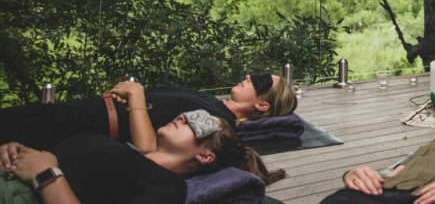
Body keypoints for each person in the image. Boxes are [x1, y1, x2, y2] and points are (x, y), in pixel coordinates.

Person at [0, 104, 285, 203]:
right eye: (191, 114)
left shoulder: (167, 186)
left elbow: (50, 169)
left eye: (202, 123)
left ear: (206, 156)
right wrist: (19, 152)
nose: (185, 116)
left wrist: (47, 175)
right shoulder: (129, 151)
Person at [0, 72, 297, 150]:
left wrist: (137, 96)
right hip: (80, 112)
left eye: (258, 81)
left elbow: (150, 148)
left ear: (261, 105)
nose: (248, 77)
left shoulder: (219, 121)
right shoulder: (214, 103)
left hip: (84, 127)